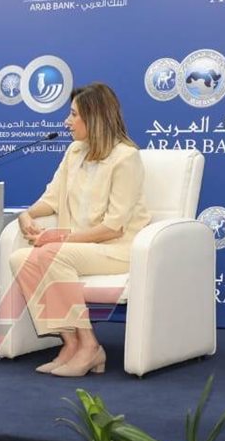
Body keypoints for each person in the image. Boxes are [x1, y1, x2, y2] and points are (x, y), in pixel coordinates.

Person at [8, 82, 150, 377]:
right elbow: (51, 198)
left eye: (73, 115)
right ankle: (71, 343)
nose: (67, 122)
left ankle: (90, 345)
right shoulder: (74, 152)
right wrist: (26, 214)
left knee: (52, 254)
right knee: (20, 258)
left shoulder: (126, 157)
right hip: (78, 247)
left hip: (118, 249)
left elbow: (113, 227)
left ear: (94, 117)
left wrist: (59, 237)